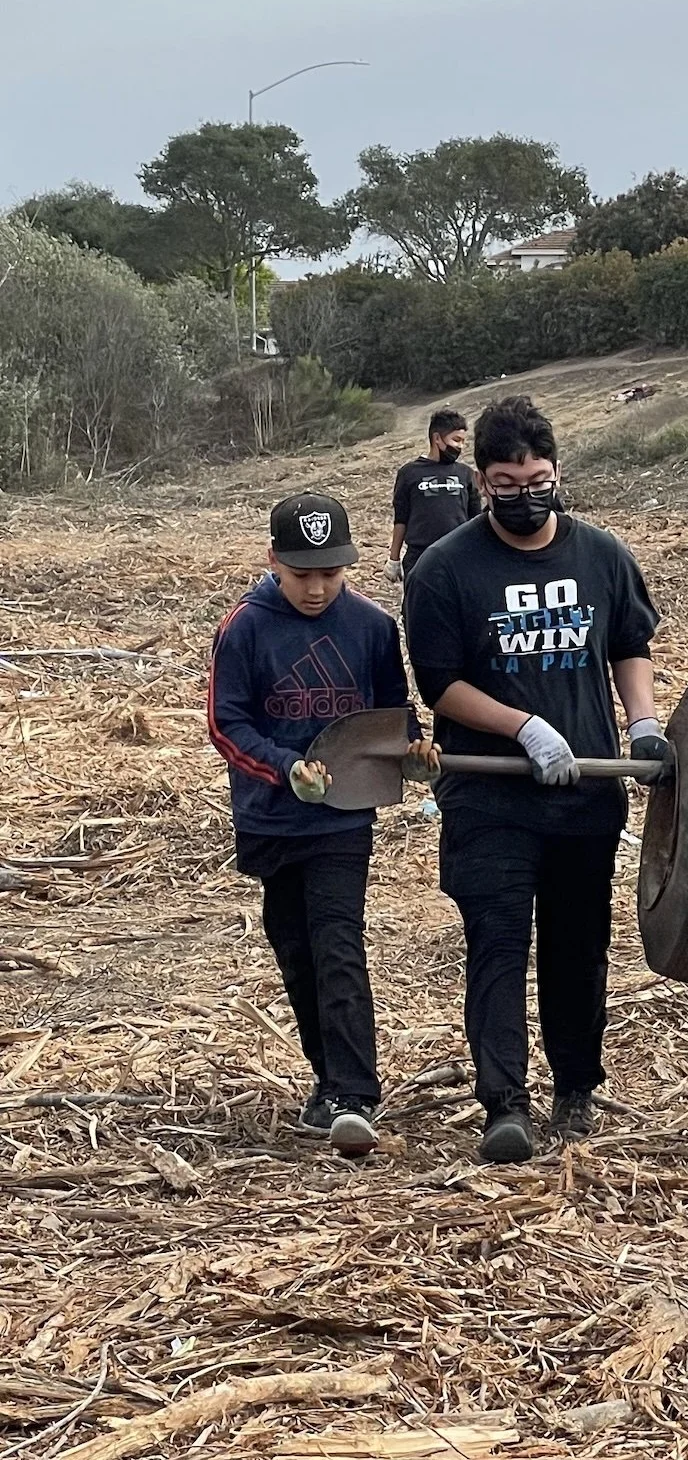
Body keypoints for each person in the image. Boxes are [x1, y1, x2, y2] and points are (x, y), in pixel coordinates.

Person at [403, 395, 667, 1164]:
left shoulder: (602, 555)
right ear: (482, 481)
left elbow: (628, 644)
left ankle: (576, 1088)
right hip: (491, 797)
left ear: (557, 471)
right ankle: (504, 1103)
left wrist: (642, 722)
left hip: (585, 791)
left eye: (539, 479)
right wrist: (520, 724)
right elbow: (440, 684)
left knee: (577, 944)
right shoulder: (446, 569)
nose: (526, 495)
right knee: (497, 941)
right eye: (507, 484)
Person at [208, 493, 436, 1158]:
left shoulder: (369, 625)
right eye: (303, 573)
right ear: (273, 560)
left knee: (338, 939)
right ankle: (327, 1084)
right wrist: (285, 768)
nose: (316, 587)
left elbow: (392, 710)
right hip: (272, 819)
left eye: (330, 573)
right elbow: (228, 724)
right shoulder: (244, 628)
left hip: (342, 818)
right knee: (297, 949)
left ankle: (356, 1093)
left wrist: (414, 750)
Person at [386, 408, 483, 582]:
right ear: (437, 438)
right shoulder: (409, 473)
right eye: (456, 440)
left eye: (463, 441)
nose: (460, 446)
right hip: (419, 557)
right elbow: (401, 518)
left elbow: (476, 518)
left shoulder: (466, 474)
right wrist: (394, 559)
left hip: (459, 555)